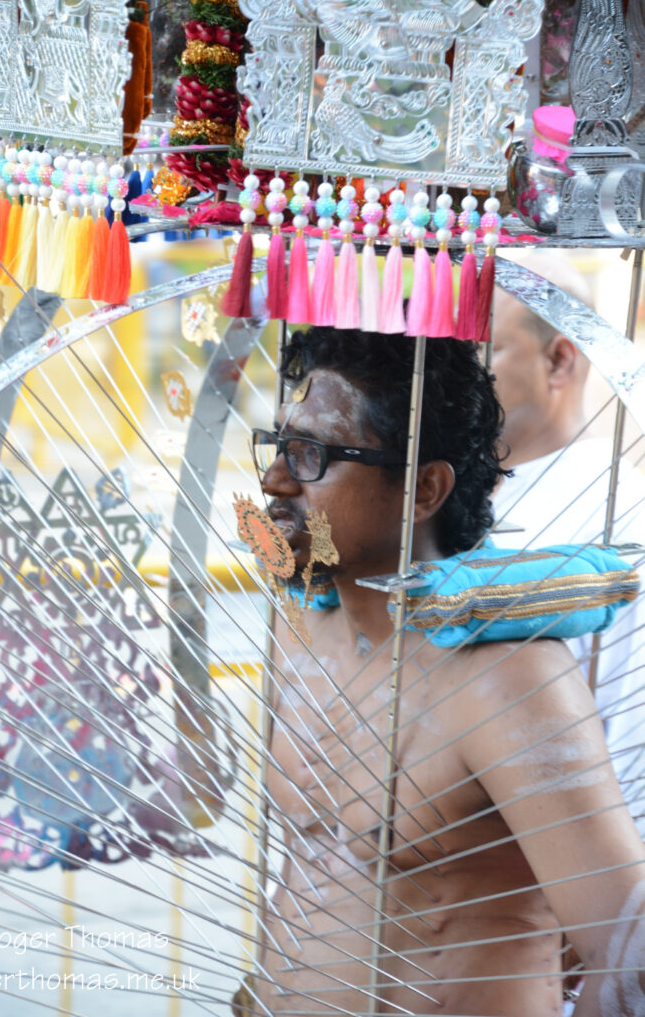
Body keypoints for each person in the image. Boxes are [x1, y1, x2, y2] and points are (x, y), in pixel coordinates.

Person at [240, 326, 645, 1017]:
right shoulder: (299, 627)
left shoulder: (505, 673)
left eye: (311, 456)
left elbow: (627, 951)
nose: (274, 481)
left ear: (424, 487)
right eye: (277, 446)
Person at [490, 253, 645, 816]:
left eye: (482, 349)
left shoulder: (624, 518)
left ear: (559, 361)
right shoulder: (428, 502)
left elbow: (633, 758)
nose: (447, 374)